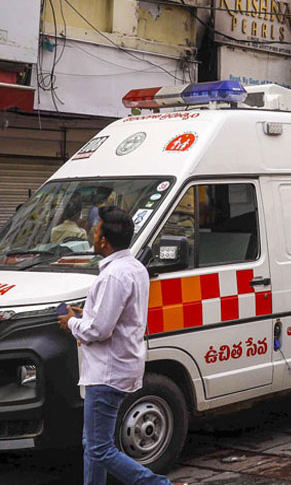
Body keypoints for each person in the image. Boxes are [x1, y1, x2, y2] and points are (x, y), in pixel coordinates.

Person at [57, 207, 178, 485]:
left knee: (99, 447)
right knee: (93, 444)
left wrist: (72, 323)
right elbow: (115, 316)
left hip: (107, 373)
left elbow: (99, 330)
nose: (92, 233)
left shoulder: (113, 276)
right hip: (121, 366)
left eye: (95, 230)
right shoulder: (134, 268)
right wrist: (86, 314)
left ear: (103, 241)